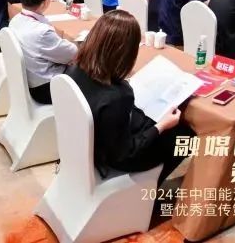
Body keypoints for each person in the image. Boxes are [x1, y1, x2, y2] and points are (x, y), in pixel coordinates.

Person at [68, 10, 192, 185]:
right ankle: (151, 188)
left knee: (149, 120)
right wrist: (162, 125)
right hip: (115, 157)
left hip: (91, 143)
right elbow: (127, 152)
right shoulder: (117, 96)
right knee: (185, 136)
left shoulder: (74, 70)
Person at [9, 0, 78, 103]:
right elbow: (73, 53)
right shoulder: (42, 32)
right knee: (87, 67)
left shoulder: (15, 20)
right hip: (46, 88)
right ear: (46, 0)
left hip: (28, 81)